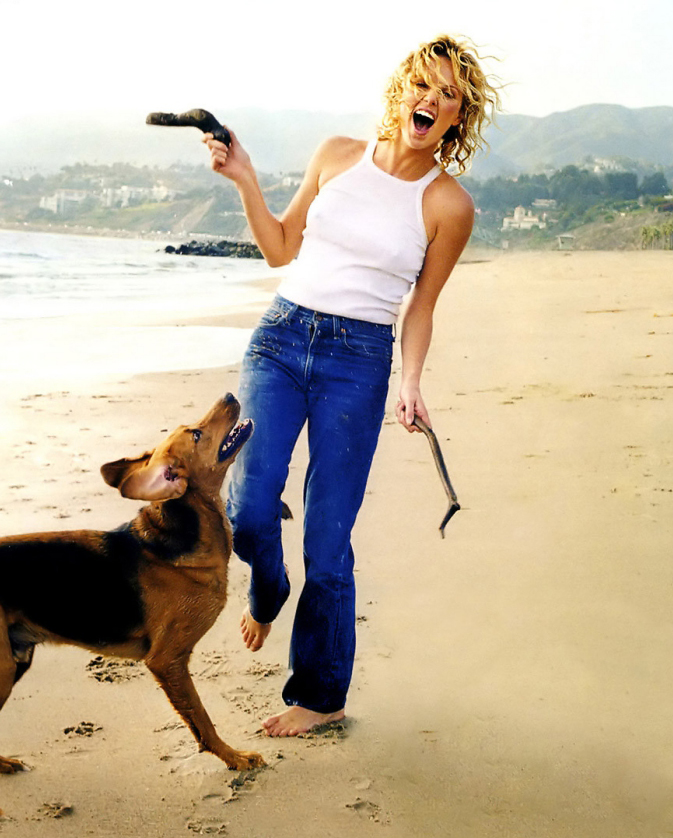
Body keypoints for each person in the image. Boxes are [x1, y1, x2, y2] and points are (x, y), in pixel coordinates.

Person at [204, 34, 500, 737]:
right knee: (247, 507)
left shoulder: (447, 206)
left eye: (449, 94)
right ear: (403, 89)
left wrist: (412, 381)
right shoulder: (337, 155)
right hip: (279, 339)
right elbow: (280, 247)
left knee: (329, 542)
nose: (431, 99)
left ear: (458, 118)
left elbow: (420, 306)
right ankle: (267, 590)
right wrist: (246, 179)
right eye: (423, 84)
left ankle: (320, 695)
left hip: (358, 361)